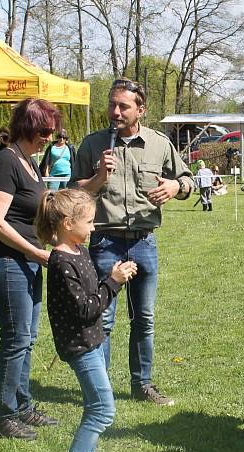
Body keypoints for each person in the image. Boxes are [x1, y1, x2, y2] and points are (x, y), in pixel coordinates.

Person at [69, 78, 194, 406]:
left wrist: (174, 188)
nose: (115, 111)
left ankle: (142, 385)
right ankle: (102, 388)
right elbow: (72, 194)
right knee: (103, 319)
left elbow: (189, 180)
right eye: (112, 104)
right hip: (104, 242)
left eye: (123, 106)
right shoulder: (93, 145)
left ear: (141, 110)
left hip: (143, 243)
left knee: (144, 319)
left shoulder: (159, 144)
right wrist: (98, 177)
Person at [35, 188, 136, 452]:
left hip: (93, 340)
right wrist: (115, 281)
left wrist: (110, 278)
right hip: (80, 345)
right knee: (103, 409)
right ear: (67, 222)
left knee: (96, 402)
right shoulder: (63, 262)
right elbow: (87, 308)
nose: (93, 228)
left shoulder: (80, 251)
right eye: (89, 222)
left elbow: (91, 296)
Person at [0, 98, 62, 440]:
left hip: (30, 261)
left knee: (27, 339)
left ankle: (24, 406)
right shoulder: (6, 162)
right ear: (29, 127)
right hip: (7, 261)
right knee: (15, 338)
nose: (50, 137)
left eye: (52, 131)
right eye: (45, 130)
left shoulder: (29, 162)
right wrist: (35, 252)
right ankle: (6, 414)